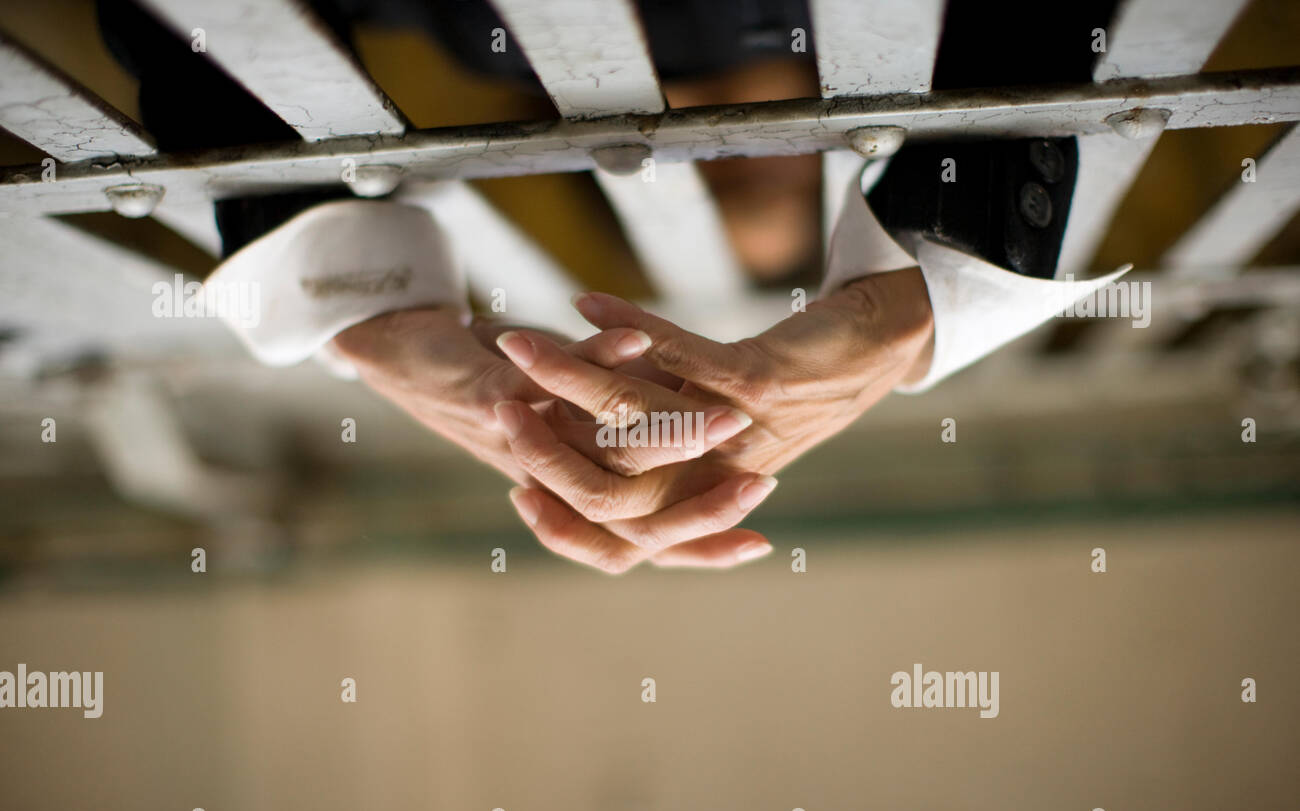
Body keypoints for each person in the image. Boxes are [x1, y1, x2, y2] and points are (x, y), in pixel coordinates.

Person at [99, 0, 1129, 572]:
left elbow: (191, 22)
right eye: (769, 177)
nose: (740, 153)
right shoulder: (897, 15)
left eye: (720, 179)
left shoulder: (474, 30)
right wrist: (928, 290)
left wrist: (354, 306)